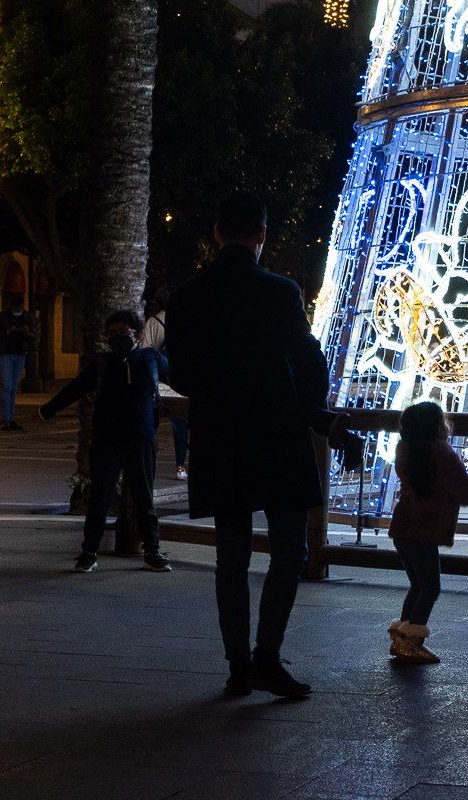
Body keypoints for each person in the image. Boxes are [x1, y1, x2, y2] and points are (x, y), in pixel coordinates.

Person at [165, 191, 330, 699]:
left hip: (220, 436)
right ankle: (267, 657)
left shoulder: (189, 295)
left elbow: (183, 373)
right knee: (289, 549)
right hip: (277, 434)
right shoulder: (281, 293)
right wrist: (311, 408)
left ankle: (238, 664)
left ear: (217, 233)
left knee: (230, 555)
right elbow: (307, 361)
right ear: (262, 233)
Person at [40, 311, 171, 575]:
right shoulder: (102, 363)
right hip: (107, 442)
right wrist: (49, 409)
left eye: (122, 332)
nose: (116, 338)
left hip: (142, 441)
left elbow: (182, 379)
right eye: (111, 333)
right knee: (100, 498)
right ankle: (88, 553)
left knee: (145, 497)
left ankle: (152, 552)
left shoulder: (152, 360)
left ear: (138, 335)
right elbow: (76, 388)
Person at [387, 401, 468, 664]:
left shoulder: (406, 450)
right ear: (437, 425)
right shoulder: (442, 453)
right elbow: (466, 492)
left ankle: (401, 638)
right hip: (425, 528)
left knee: (418, 584)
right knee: (430, 587)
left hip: (403, 527)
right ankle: (410, 643)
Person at [140, 286, 190, 480]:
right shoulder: (185, 322)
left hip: (157, 382)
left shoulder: (153, 322)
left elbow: (145, 352)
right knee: (181, 425)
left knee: (152, 424)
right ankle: (179, 466)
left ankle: (149, 463)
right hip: (178, 381)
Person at [0, 296, 38, 431]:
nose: (17, 310)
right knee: (7, 386)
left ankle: (11, 418)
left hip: (20, 354)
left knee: (13, 387)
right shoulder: (1, 317)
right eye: (15, 308)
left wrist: (27, 333)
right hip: (5, 353)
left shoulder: (28, 317)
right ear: (11, 307)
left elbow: (34, 336)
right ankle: (7, 419)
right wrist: (7, 332)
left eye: (19, 308)